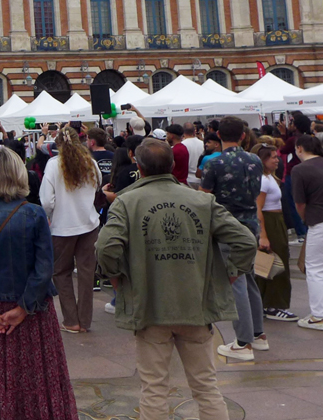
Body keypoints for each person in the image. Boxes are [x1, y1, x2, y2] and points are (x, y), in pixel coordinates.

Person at [96, 137, 255, 420]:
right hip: (195, 305)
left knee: (154, 388)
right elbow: (245, 240)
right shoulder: (202, 200)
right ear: (171, 165)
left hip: (150, 307)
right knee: (206, 387)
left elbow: (106, 247)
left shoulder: (126, 202)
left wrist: (117, 279)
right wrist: (231, 275)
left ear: (139, 166)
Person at [0, 148, 78, 420]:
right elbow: (45, 267)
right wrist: (24, 307)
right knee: (36, 377)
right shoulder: (34, 214)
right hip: (31, 310)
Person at [201, 116, 267, 360]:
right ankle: (259, 335)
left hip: (228, 226)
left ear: (218, 135)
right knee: (249, 278)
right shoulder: (255, 160)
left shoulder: (214, 163)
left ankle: (243, 342)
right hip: (251, 224)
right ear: (243, 135)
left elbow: (204, 196)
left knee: (237, 281)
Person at [41, 126, 102, 333]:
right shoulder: (90, 162)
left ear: (58, 145)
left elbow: (46, 201)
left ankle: (71, 320)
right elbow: (98, 186)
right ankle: (85, 321)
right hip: (89, 223)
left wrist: (51, 216)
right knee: (86, 273)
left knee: (61, 272)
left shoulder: (53, 165)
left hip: (62, 226)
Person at [254, 145, 296, 321]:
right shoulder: (263, 180)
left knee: (271, 263)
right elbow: (258, 208)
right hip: (270, 222)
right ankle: (274, 305)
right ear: (263, 160)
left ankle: (266, 303)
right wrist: (263, 234)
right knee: (276, 263)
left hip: (276, 221)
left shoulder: (270, 177)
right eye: (272, 157)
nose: (276, 160)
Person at [292, 133, 323, 330]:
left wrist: (305, 219)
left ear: (299, 148)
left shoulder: (300, 170)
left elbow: (300, 203)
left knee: (315, 269)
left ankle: (320, 315)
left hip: (319, 220)